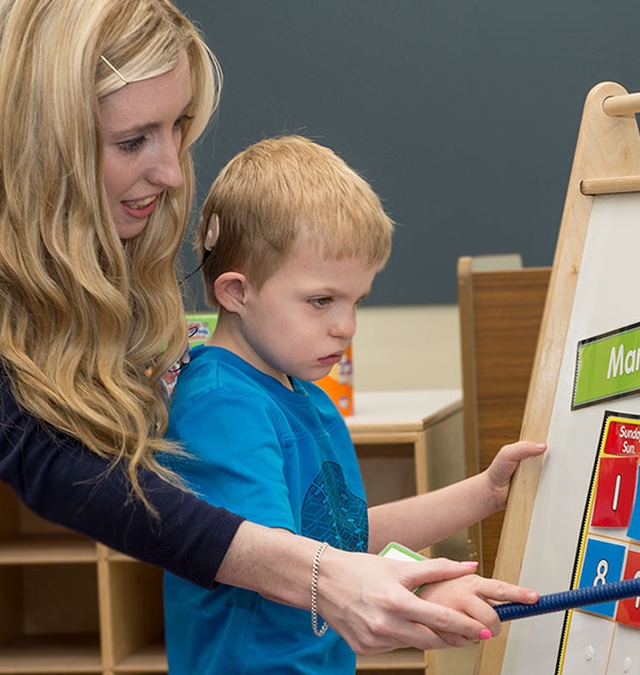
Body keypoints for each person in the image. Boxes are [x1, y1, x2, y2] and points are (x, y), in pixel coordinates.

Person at [0, 1, 540, 673]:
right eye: (133, 142)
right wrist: (342, 579)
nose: (169, 173)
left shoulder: (70, 183)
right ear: (47, 133)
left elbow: (319, 528)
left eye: (178, 127)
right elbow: (42, 456)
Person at [162, 135, 547, 674]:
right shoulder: (222, 405)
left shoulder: (307, 398)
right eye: (322, 301)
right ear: (235, 292)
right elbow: (276, 562)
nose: (347, 327)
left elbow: (340, 538)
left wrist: (485, 493)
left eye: (356, 301)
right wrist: (417, 592)